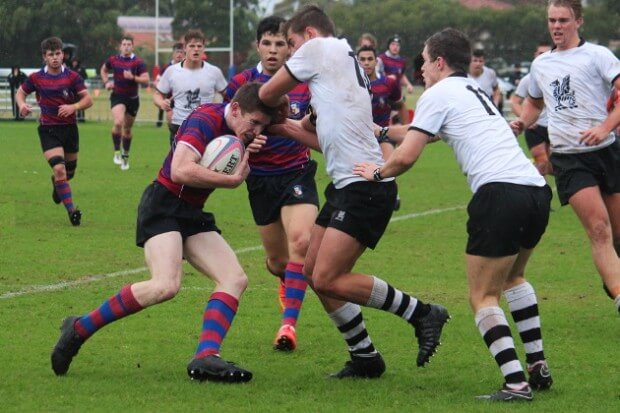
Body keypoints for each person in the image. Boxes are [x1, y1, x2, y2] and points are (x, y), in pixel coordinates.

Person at [354, 28, 553, 402]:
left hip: (500, 194)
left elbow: (408, 155)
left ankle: (515, 384)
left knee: (482, 296)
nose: (423, 70)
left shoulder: (437, 92)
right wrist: (381, 128)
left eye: (426, 62)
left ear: (440, 62)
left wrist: (377, 172)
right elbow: (425, 133)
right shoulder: (472, 90)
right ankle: (537, 364)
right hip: (535, 190)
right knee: (514, 277)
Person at [259, 5, 449, 379]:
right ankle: (365, 356)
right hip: (347, 183)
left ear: (309, 36)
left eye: (292, 44)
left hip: (366, 185)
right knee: (313, 272)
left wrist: (260, 108)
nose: (290, 53)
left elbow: (266, 93)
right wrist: (281, 127)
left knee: (329, 276)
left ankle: (423, 313)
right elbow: (317, 138)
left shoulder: (319, 50)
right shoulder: (340, 62)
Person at [50, 82, 277, 382]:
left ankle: (206, 356)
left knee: (234, 278)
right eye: (255, 123)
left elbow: (279, 112)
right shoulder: (205, 119)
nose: (258, 132)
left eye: (264, 126)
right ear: (235, 109)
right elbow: (179, 171)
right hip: (163, 205)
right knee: (165, 285)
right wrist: (232, 181)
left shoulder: (239, 128)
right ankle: (78, 328)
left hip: (191, 212)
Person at [511, 0, 620, 314]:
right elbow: (533, 103)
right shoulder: (541, 64)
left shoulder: (598, 56)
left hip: (607, 153)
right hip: (569, 159)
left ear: (578, 21)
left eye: (563, 20)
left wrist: (605, 127)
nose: (556, 26)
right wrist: (522, 121)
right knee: (598, 229)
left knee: (617, 235)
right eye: (552, 20)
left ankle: (612, 276)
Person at [224, 16, 317, 352]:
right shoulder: (241, 82)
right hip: (260, 180)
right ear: (258, 46)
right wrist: (246, 142)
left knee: (302, 242)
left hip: (297, 171)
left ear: (290, 46)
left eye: (281, 43)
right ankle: (284, 278)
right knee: (278, 262)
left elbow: (315, 125)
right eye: (268, 43)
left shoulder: (305, 80)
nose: (274, 50)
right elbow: (227, 127)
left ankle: (288, 325)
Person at [15, 37, 92, 226]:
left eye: (58, 54)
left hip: (70, 130)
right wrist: (22, 105)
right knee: (59, 168)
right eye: (51, 55)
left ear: (63, 55)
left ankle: (57, 184)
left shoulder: (73, 77)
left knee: (68, 174)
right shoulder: (36, 78)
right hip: (48, 129)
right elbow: (20, 92)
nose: (55, 58)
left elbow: (88, 100)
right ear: (44, 57)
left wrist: (73, 107)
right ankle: (72, 212)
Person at [154, 30, 227, 146]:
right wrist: (162, 103)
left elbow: (228, 95)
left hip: (205, 125)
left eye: (199, 46)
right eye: (192, 46)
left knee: (202, 163)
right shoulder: (172, 71)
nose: (196, 49)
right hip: (179, 125)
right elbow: (157, 95)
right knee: (178, 163)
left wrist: (221, 112)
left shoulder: (214, 72)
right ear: (185, 48)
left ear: (203, 48)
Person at [357, 45, 407, 210]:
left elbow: (400, 105)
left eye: (369, 59)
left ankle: (394, 196)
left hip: (383, 135)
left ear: (376, 61)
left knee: (387, 169)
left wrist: (407, 133)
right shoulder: (351, 87)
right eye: (362, 59)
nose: (366, 63)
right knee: (360, 177)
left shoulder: (388, 83)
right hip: (359, 139)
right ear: (357, 62)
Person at [100, 34, 150, 170]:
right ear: (120, 46)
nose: (126, 47)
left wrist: (133, 77)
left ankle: (125, 156)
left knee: (127, 129)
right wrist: (106, 82)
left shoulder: (138, 63)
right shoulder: (113, 60)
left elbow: (146, 80)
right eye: (124, 44)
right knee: (118, 122)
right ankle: (116, 152)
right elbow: (103, 70)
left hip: (133, 99)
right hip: (117, 96)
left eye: (129, 45)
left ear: (132, 46)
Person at [510, 42, 553, 176]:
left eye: (547, 54)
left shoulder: (559, 77)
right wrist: (526, 120)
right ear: (535, 55)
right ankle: (539, 194)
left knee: (553, 167)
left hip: (554, 127)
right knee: (542, 161)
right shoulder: (528, 79)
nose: (543, 57)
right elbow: (515, 101)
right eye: (541, 53)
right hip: (536, 127)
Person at [155, 42, 185, 129]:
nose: (179, 54)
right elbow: (158, 80)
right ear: (173, 54)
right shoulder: (167, 68)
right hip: (170, 100)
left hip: (183, 100)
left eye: (181, 52)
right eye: (177, 52)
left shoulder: (187, 67)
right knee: (173, 127)